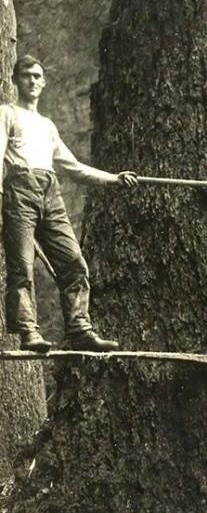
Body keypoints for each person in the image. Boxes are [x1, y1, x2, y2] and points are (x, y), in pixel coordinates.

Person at [0, 54, 138, 353]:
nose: (32, 81)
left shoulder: (47, 125)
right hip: (18, 190)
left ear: (44, 82)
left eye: (37, 76)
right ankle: (28, 332)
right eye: (26, 75)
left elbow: (73, 167)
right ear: (15, 80)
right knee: (22, 266)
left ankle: (80, 329)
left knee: (73, 262)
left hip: (51, 191)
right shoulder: (6, 113)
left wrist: (114, 178)